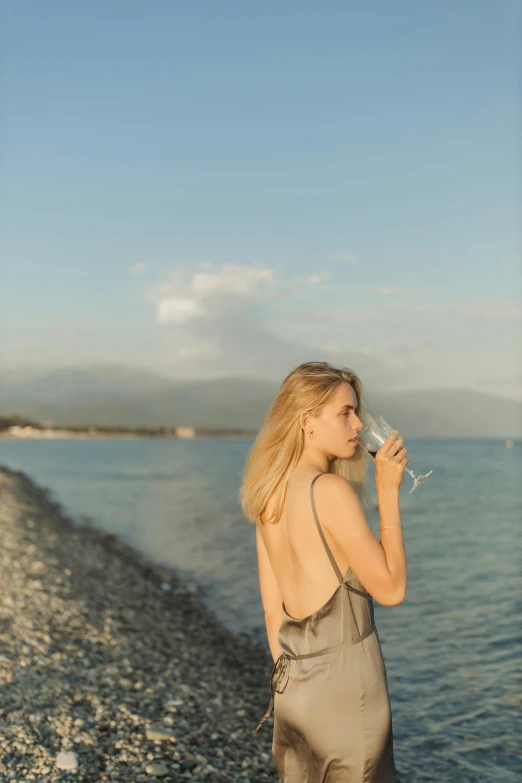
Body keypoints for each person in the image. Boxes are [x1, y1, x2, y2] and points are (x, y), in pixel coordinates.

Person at [239, 361, 407, 782]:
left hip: (294, 688)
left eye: (357, 412)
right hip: (349, 695)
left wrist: (297, 684)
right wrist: (388, 492)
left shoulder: (268, 492)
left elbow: (273, 612)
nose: (357, 425)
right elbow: (391, 590)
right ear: (306, 421)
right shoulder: (330, 491)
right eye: (345, 412)